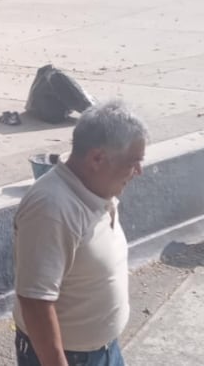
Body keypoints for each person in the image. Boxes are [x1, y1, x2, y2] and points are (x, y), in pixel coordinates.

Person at [12, 101, 148, 366]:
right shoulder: (51, 209)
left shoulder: (97, 187)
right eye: (134, 162)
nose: (138, 172)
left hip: (104, 351)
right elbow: (35, 301)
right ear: (97, 158)